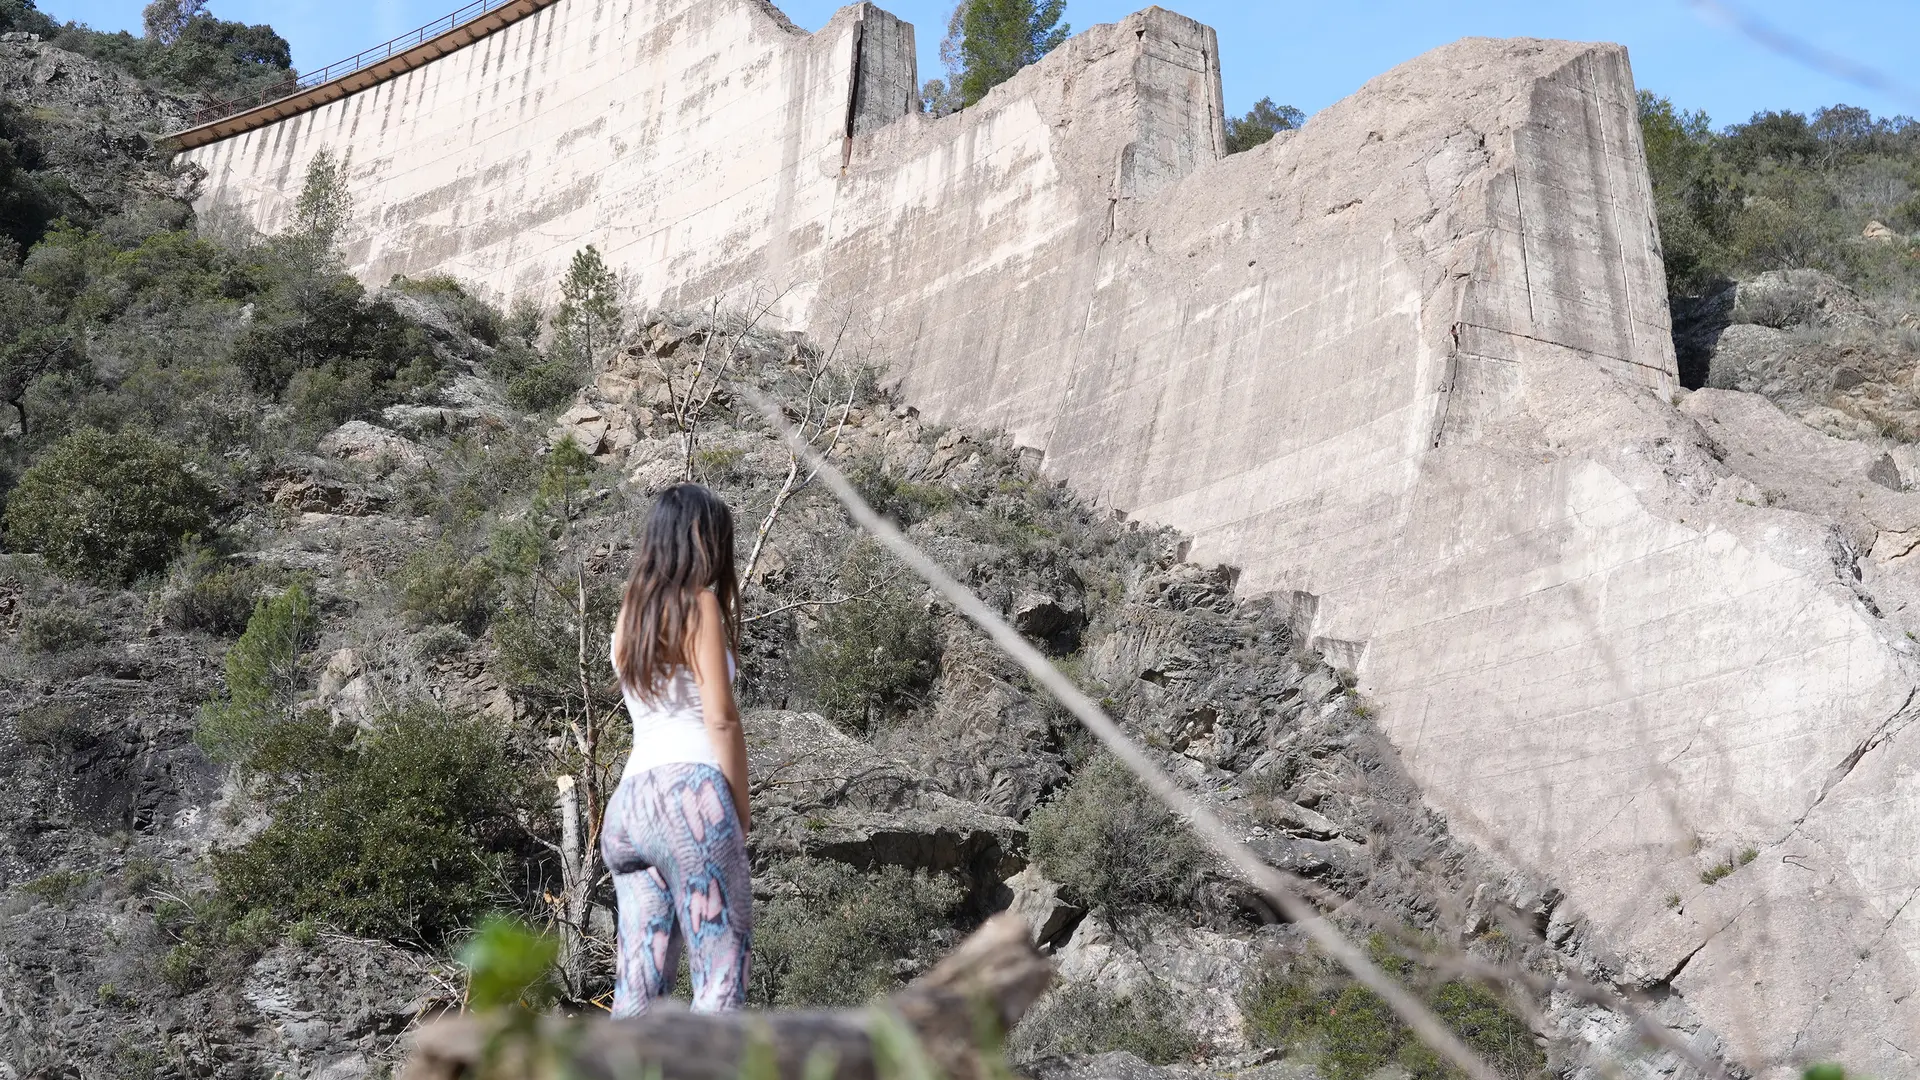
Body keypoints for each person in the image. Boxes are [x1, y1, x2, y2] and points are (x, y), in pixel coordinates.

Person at [601, 482, 752, 1016]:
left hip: (629, 807)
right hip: (690, 795)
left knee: (638, 983)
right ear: (699, 539)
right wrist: (738, 808)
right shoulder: (701, 605)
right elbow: (721, 718)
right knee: (721, 970)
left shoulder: (628, 618)